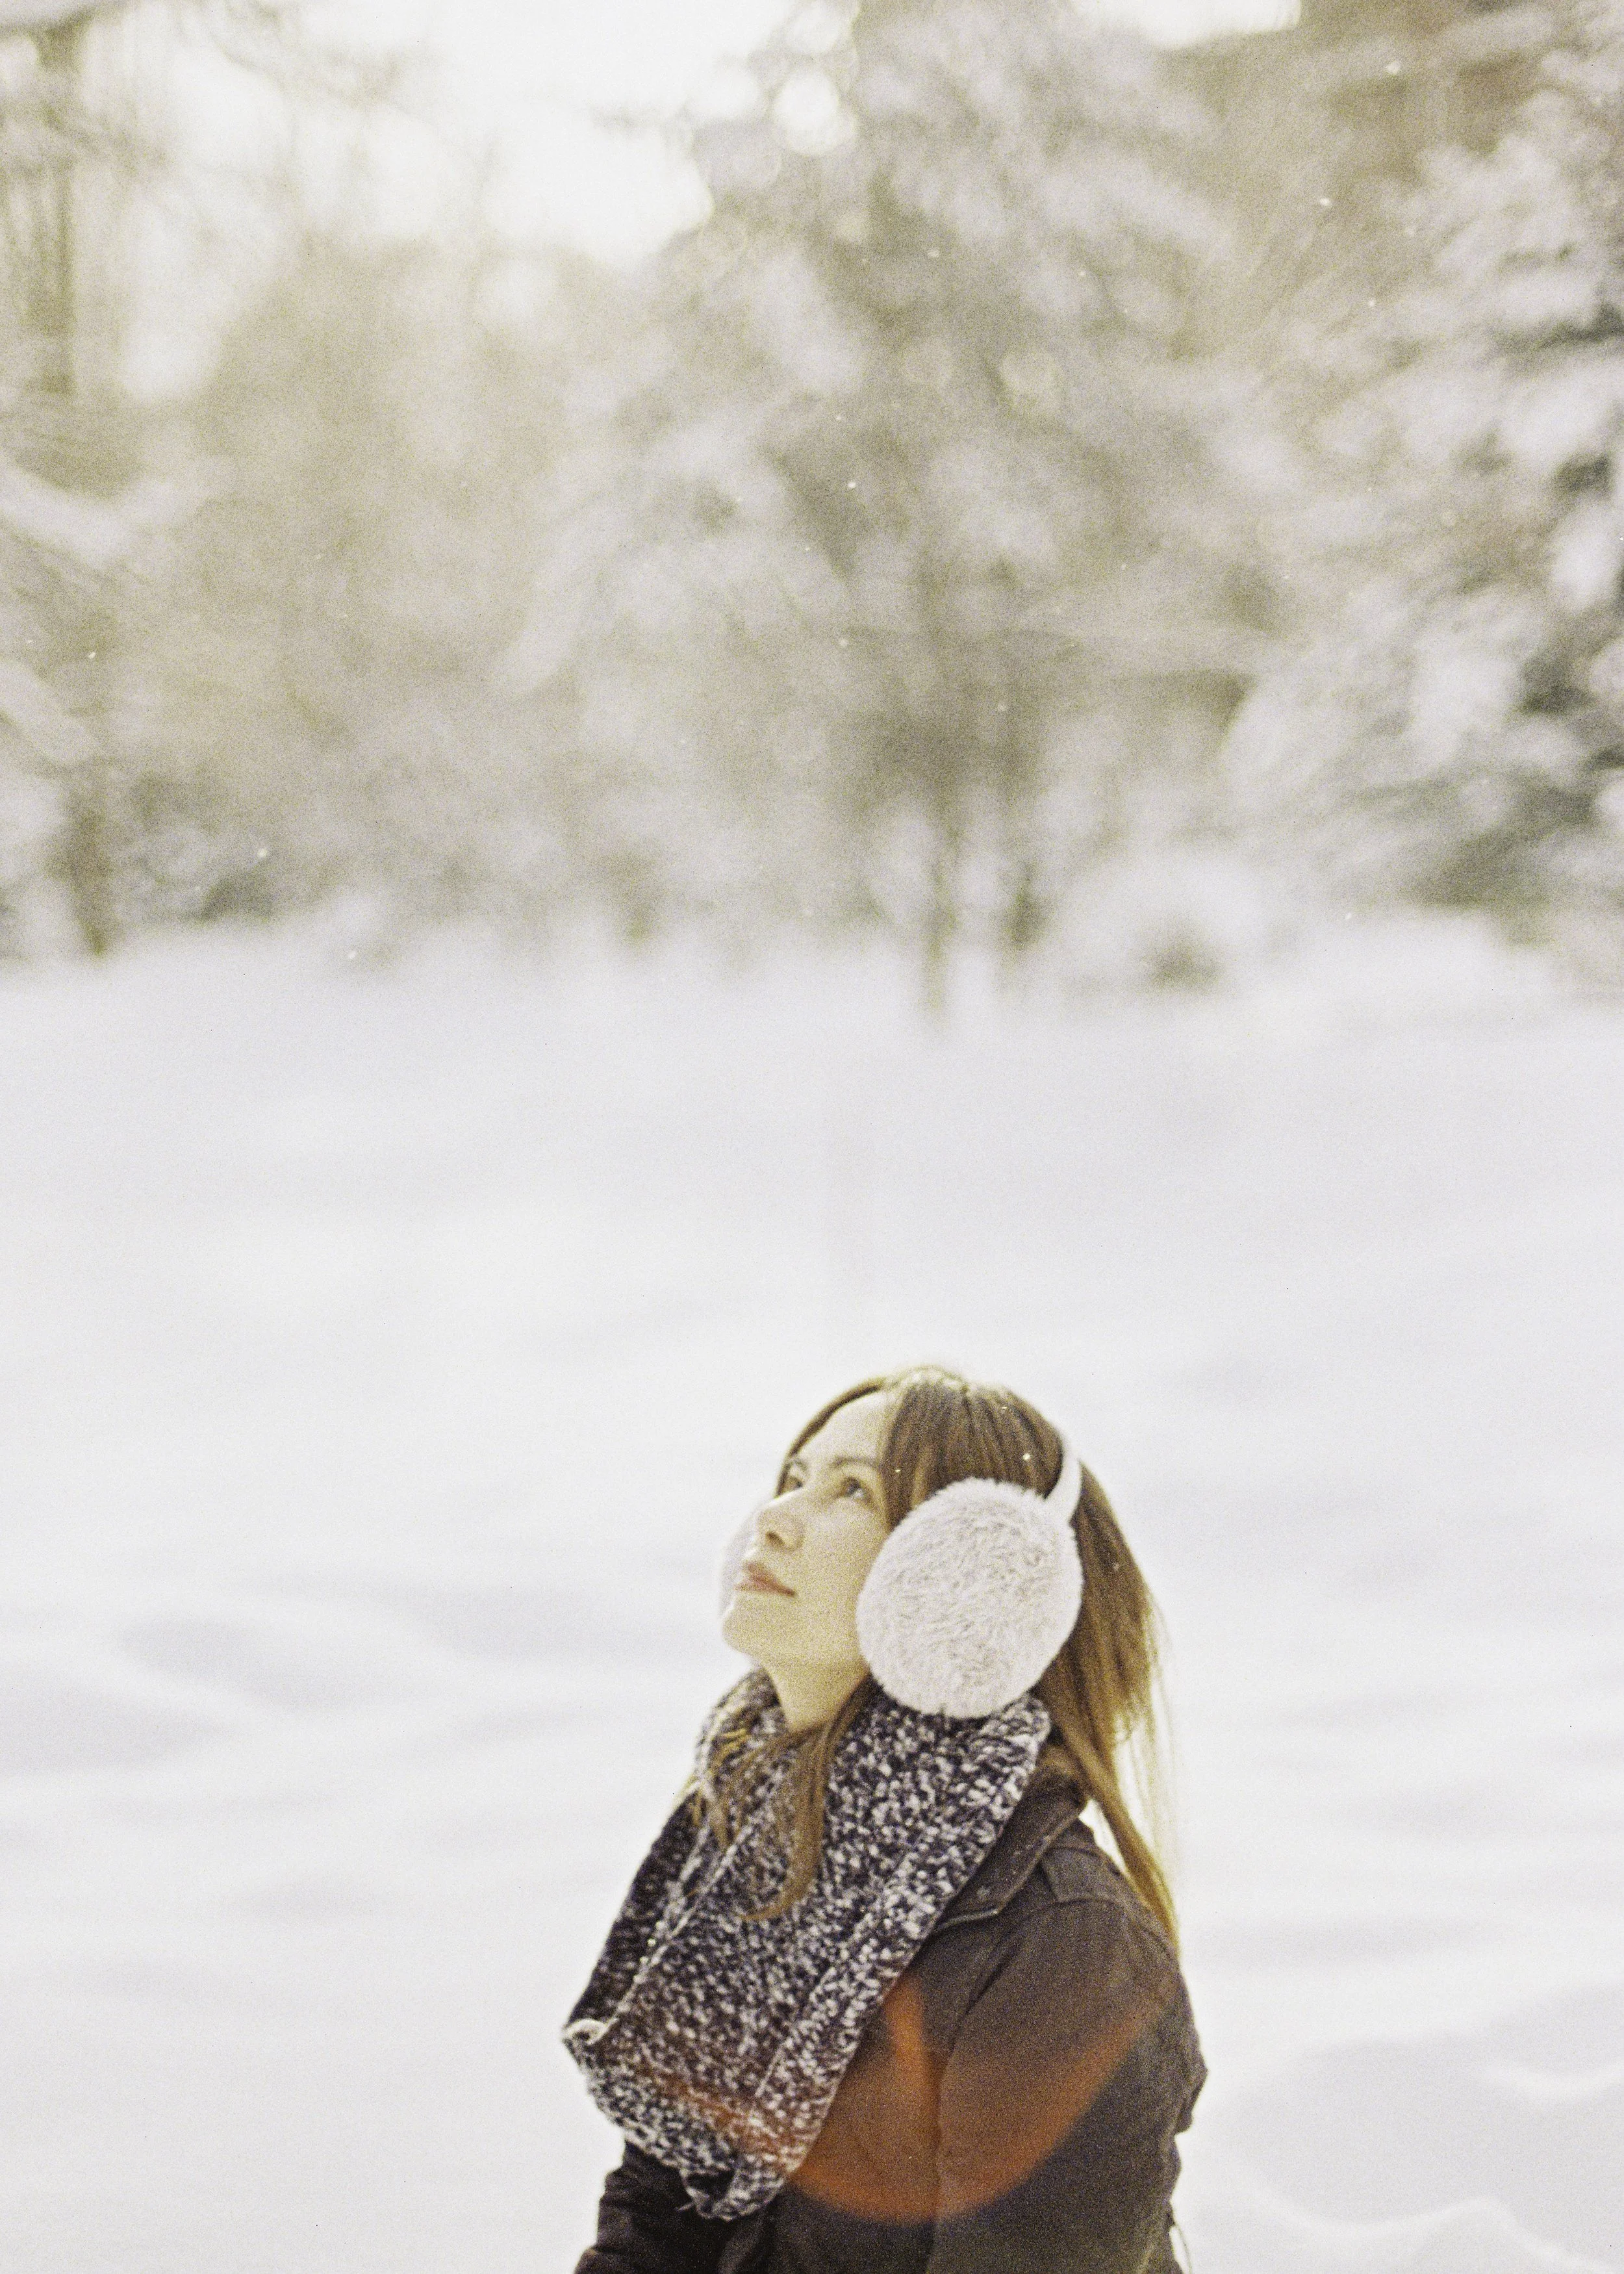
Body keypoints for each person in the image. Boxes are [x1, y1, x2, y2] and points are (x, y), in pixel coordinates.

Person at [564, 1366, 1205, 2274]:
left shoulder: (1062, 1946)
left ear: (965, 1581)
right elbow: (662, 2218)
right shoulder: (759, 1847)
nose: (774, 1519)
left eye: (851, 1490)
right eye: (793, 1478)